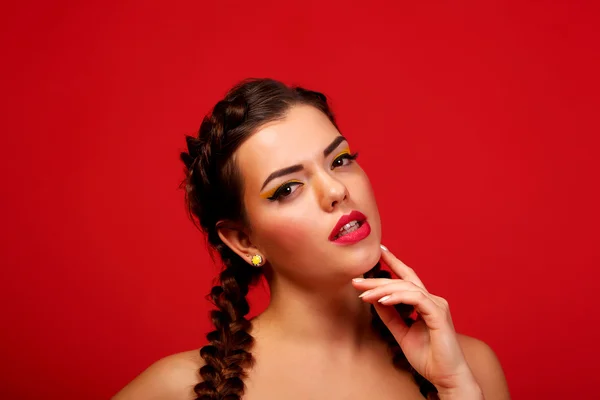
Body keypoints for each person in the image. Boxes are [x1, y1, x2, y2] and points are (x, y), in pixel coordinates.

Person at [113, 78, 510, 400]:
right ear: (243, 240)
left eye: (340, 160)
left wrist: (458, 390)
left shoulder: (469, 368)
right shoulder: (178, 390)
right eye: (287, 188)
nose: (335, 190)